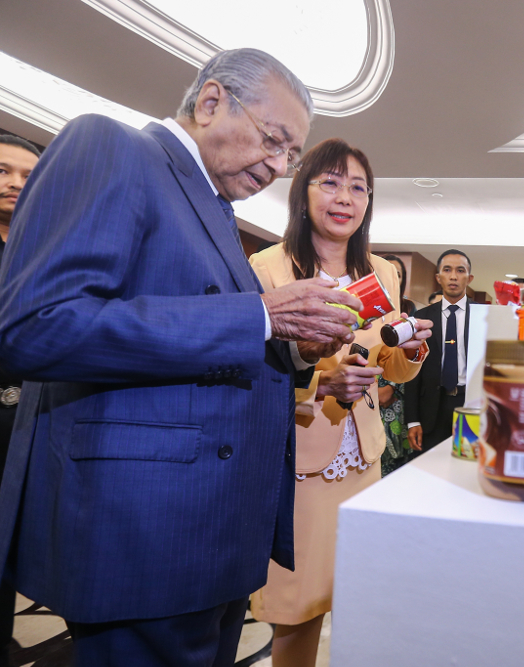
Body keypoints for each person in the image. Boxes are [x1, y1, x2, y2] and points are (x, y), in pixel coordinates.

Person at [0, 49, 365, 666]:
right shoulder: (111, 146)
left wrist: (295, 350)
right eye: (273, 140)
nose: (278, 166)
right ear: (212, 101)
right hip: (145, 531)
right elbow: (37, 326)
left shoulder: (215, 209)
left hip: (214, 532)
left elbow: (213, 344)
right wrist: (259, 316)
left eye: (291, 154)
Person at [248, 138, 431, 667]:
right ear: (301, 193)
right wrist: (320, 386)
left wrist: (410, 351)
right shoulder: (267, 268)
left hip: (363, 459)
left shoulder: (383, 271)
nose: (344, 197)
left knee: (354, 596)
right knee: (298, 607)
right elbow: (254, 372)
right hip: (300, 462)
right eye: (329, 183)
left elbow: (388, 365)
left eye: (358, 187)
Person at [0, 133, 39, 667]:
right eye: (3, 171)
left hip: (25, 427)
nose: (15, 183)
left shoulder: (43, 252)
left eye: (28, 176)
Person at [405, 249, 475, 454]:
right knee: (430, 467)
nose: (453, 276)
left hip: (469, 405)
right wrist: (412, 420)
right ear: (438, 277)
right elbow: (412, 371)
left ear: (469, 278)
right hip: (430, 409)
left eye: (460, 270)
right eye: (447, 270)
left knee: (466, 464)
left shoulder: (482, 316)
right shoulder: (421, 318)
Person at [377, 254, 416, 475]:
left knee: (394, 464)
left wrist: (391, 387)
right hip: (363, 391)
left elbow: (411, 354)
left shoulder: (408, 310)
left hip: (395, 394)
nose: (391, 277)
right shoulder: (364, 308)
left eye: (397, 274)